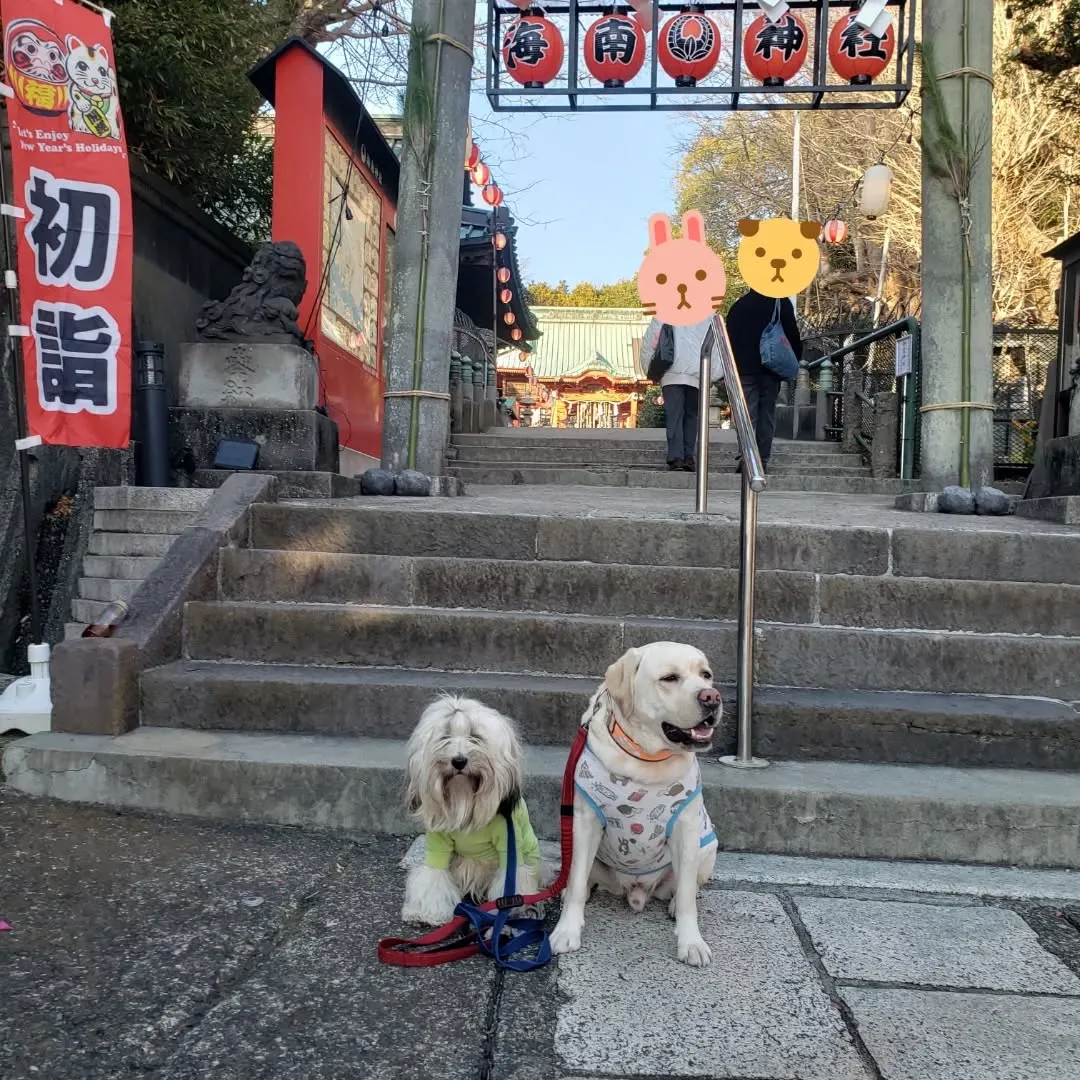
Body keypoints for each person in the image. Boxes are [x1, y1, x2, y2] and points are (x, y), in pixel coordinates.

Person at [724, 288, 803, 473]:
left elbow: (729, 339)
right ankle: (763, 459)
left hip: (745, 369)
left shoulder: (740, 305)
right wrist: (793, 361)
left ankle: (747, 458)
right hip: (771, 369)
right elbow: (793, 335)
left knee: (747, 415)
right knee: (767, 414)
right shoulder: (780, 303)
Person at [642, 315, 716, 471]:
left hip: (671, 373)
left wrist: (649, 368)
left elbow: (651, 341)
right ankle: (689, 456)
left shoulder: (664, 312)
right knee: (692, 416)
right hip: (698, 372)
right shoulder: (707, 315)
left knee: (674, 416)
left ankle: (676, 457)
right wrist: (713, 374)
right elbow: (716, 343)